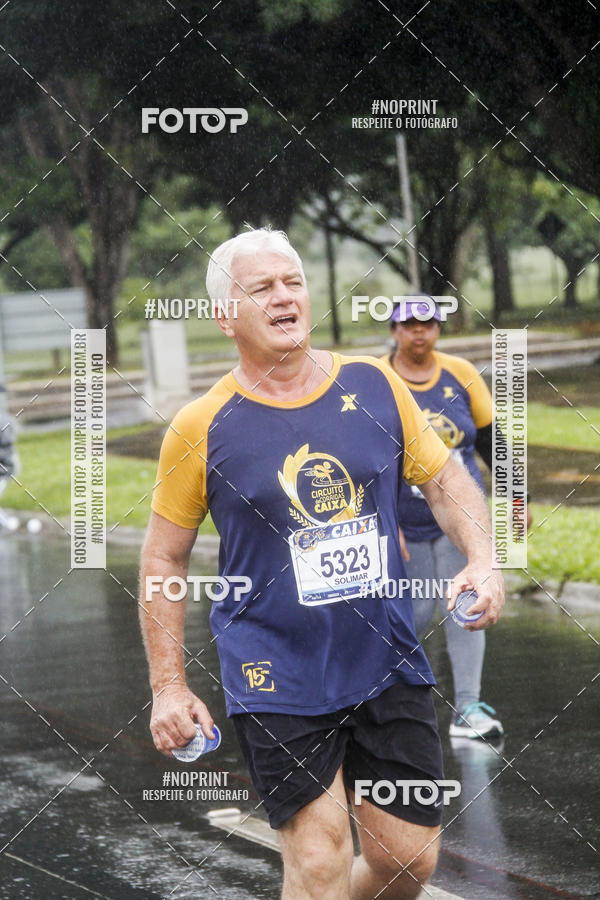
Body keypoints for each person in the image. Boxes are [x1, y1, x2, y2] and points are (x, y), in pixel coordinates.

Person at [139, 230, 505, 899]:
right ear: (226, 316)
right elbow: (164, 554)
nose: (284, 297)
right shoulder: (202, 425)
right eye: (262, 288)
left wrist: (483, 558)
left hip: (383, 657)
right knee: (319, 861)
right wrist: (168, 686)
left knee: (409, 860)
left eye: (292, 281)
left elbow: (445, 479)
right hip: (273, 669)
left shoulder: (374, 385)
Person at [385, 299, 526, 741]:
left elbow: (491, 441)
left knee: (467, 606)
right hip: (404, 521)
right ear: (394, 330)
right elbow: (367, 460)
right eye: (409, 325)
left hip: (461, 521)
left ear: (439, 329)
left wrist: (515, 497)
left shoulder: (461, 374)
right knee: (417, 612)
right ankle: (406, 706)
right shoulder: (377, 380)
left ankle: (467, 707)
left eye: (427, 324)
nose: (419, 333)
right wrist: (386, 525)